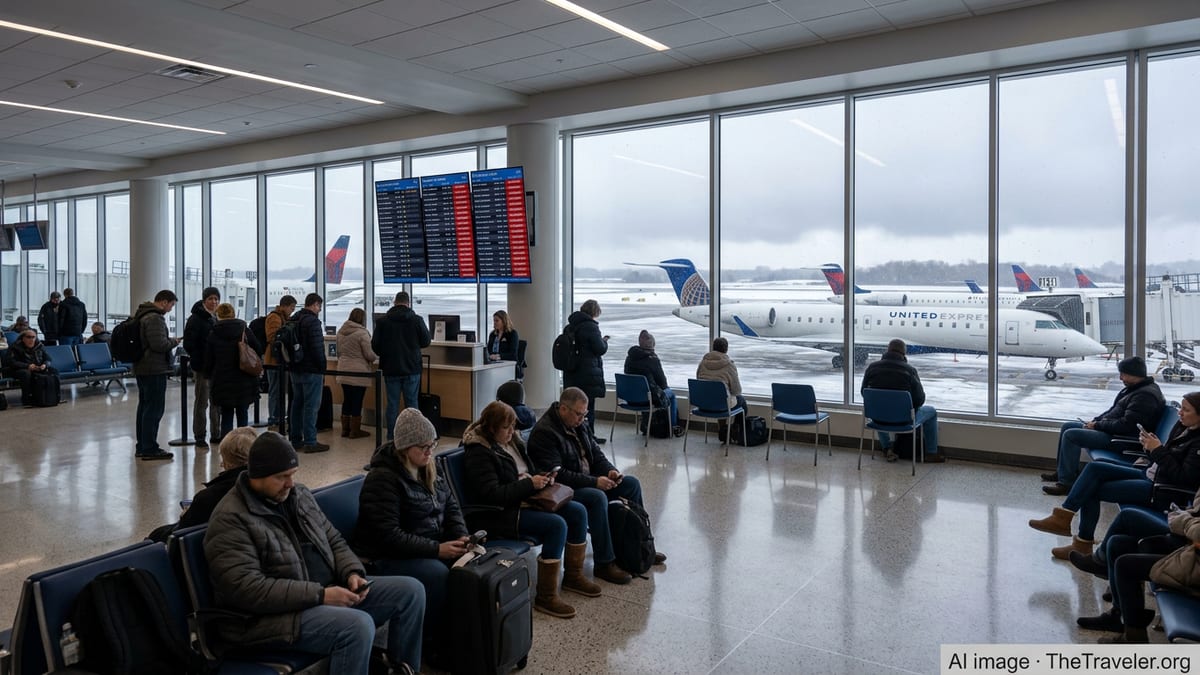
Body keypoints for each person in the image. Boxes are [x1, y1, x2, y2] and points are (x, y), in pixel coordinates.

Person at [205, 432, 424, 674]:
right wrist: (321, 595)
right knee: (356, 627)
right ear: (257, 475)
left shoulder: (299, 496)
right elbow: (248, 590)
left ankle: (402, 670)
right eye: (281, 477)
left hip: (320, 593)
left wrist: (352, 572)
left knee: (411, 592)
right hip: (266, 620)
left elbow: (334, 540)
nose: (290, 483)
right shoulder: (231, 519)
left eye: (292, 475)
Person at [464, 401, 600, 617]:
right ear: (491, 429)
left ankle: (573, 575)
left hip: (528, 498)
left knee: (577, 512)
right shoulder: (479, 452)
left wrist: (543, 477)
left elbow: (527, 469)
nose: (511, 432)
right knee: (556, 525)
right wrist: (529, 484)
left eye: (513, 427)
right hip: (502, 513)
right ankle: (546, 596)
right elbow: (492, 495)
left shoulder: (513, 442)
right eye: (506, 428)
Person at [1029, 392, 1200, 560]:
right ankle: (1064, 516)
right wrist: (1152, 447)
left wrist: (1158, 450)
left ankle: (1080, 542)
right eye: (1181, 408)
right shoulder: (1183, 427)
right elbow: (1169, 457)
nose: (1180, 412)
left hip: (1162, 490)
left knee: (1091, 489)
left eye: (1186, 410)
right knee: (1094, 469)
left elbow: (1183, 477)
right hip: (1151, 473)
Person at [352, 408, 464, 663]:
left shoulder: (428, 466)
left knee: (464, 565)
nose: (429, 451)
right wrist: (438, 549)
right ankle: (428, 643)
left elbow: (451, 506)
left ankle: (451, 636)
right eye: (423, 447)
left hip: (421, 544)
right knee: (437, 573)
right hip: (382, 557)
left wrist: (461, 536)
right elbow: (388, 536)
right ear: (404, 448)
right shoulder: (382, 478)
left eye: (432, 444)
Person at [528, 387, 666, 582]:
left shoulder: (579, 424)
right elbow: (558, 475)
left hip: (586, 479)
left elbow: (596, 454)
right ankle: (605, 562)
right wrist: (594, 482)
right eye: (578, 414)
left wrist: (610, 471)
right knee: (596, 497)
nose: (582, 419)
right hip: (562, 489)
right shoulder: (545, 432)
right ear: (564, 409)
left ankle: (640, 545)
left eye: (585, 414)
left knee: (631, 484)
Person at [1041, 356, 1165, 495]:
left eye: (1123, 374)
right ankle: (1063, 472)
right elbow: (1113, 411)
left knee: (1071, 435)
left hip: (1123, 439)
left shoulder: (1144, 396)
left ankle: (1066, 483)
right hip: (1113, 431)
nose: (1120, 378)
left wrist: (1098, 425)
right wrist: (1095, 421)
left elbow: (1126, 426)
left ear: (1133, 374)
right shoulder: (1135, 389)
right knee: (1068, 426)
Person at [147, 426, 258, 542]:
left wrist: (185, 515)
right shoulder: (259, 487)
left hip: (196, 540)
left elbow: (182, 531)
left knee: (155, 535)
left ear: (227, 463)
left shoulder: (209, 496)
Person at [860, 338, 942, 463]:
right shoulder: (909, 370)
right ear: (904, 353)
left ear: (887, 350)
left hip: (877, 418)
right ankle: (931, 453)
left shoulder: (872, 368)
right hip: (904, 420)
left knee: (879, 410)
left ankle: (887, 448)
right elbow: (920, 399)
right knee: (931, 412)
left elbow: (864, 392)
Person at [372, 291, 430, 442]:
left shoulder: (383, 321)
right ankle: (415, 436)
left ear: (394, 302)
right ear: (408, 303)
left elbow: (375, 345)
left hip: (390, 368)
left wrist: (386, 352)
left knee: (392, 404)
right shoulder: (416, 320)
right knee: (412, 404)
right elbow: (426, 341)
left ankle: (392, 436)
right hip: (412, 368)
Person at [133, 290, 179, 461]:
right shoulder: (154, 318)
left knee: (144, 407)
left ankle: (142, 445)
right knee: (154, 409)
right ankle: (150, 447)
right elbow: (159, 344)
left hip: (143, 367)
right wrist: (174, 341)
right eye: (172, 305)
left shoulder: (141, 314)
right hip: (154, 368)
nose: (171, 309)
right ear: (164, 302)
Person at [205, 303, 260, 439]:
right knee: (243, 413)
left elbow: (208, 359)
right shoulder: (244, 331)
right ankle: (243, 444)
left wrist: (209, 376)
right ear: (233, 314)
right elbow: (258, 349)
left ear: (218, 315)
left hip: (222, 380)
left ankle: (227, 446)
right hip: (244, 379)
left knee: (227, 415)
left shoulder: (213, 333)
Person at [562, 299, 608, 441]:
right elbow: (599, 349)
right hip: (587, 374)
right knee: (587, 407)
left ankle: (572, 434)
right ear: (594, 312)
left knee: (572, 406)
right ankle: (588, 437)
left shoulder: (570, 327)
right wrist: (604, 341)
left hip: (571, 372)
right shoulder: (591, 327)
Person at [288, 294, 328, 454]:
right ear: (315, 304)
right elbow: (317, 348)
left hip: (295, 368)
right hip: (311, 369)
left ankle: (295, 439)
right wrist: (322, 367)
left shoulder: (293, 319)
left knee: (296, 404)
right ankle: (311, 441)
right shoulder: (313, 322)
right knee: (311, 406)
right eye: (319, 306)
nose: (319, 310)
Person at [624, 329, 683, 437]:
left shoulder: (629, 358)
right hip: (647, 399)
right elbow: (663, 383)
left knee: (645, 391)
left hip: (631, 398)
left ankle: (646, 424)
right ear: (652, 345)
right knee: (671, 395)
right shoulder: (652, 359)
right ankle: (674, 426)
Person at [184, 287, 222, 448]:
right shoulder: (196, 319)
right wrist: (202, 359)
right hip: (203, 368)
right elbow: (189, 344)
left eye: (216, 299)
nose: (214, 302)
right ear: (204, 300)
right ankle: (200, 435)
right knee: (202, 401)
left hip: (217, 367)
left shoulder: (217, 318)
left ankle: (216, 433)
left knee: (216, 402)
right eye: (211, 299)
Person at [336, 307, 377, 440]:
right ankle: (355, 431)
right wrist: (375, 357)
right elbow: (369, 355)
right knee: (357, 400)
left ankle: (345, 429)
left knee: (347, 400)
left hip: (343, 370)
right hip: (358, 372)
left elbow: (339, 352)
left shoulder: (341, 332)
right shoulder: (362, 334)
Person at [696, 337, 746, 440]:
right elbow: (737, 391)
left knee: (719, 398)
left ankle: (722, 430)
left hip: (703, 404)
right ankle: (735, 433)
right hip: (721, 405)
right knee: (741, 401)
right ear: (726, 349)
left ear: (713, 348)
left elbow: (698, 381)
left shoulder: (702, 363)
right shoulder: (729, 365)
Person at [263, 295, 298, 431]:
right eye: (291, 308)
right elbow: (273, 337)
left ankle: (279, 417)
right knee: (275, 390)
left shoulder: (283, 318)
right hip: (274, 360)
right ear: (284, 306)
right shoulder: (274, 317)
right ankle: (274, 418)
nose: (292, 311)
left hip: (279, 359)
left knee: (280, 390)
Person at [7, 329, 57, 407]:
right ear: (23, 338)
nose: (31, 339)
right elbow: (11, 362)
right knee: (26, 373)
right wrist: (27, 366)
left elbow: (48, 359)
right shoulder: (15, 347)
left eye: (33, 337)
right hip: (18, 370)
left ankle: (55, 396)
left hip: (37, 367)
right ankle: (26, 399)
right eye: (29, 337)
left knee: (54, 371)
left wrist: (45, 365)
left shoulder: (39, 345)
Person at [485, 310, 521, 378]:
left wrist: (498, 356)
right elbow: (488, 350)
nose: (494, 323)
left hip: (508, 366)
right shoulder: (493, 334)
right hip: (494, 365)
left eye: (497, 321)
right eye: (494, 321)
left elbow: (513, 354)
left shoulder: (512, 334)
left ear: (504, 321)